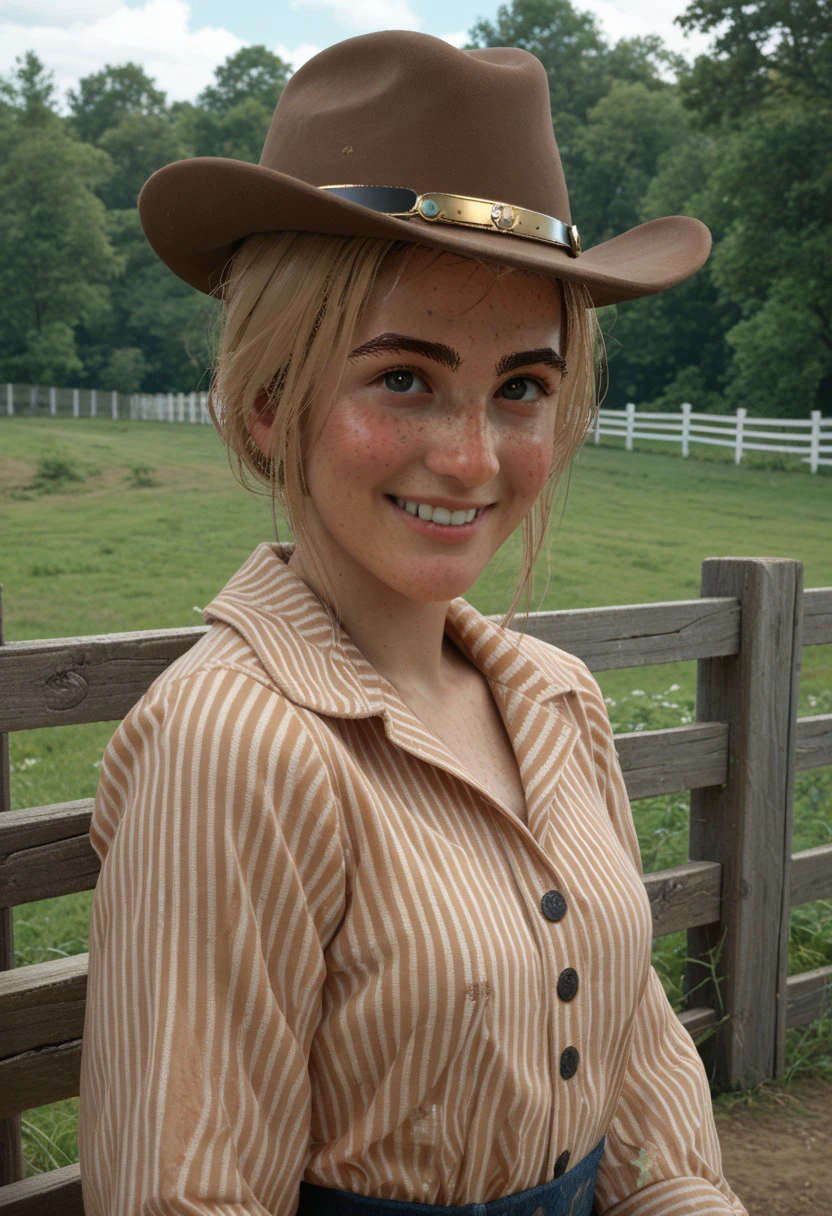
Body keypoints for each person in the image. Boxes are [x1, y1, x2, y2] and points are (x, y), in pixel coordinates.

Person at [77, 28, 749, 1216]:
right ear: (270, 407)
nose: (472, 455)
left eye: (522, 389)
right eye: (403, 378)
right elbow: (187, 1193)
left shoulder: (555, 700)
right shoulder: (235, 748)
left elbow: (634, 1041)